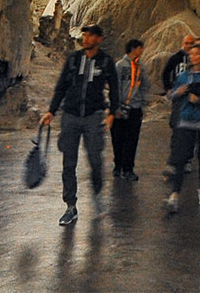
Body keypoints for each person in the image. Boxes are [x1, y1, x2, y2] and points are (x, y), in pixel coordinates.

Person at [41, 23, 120, 226]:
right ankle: (70, 206)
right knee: (69, 162)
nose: (86, 38)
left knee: (95, 159)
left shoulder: (106, 61)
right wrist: (51, 110)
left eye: (91, 35)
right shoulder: (74, 60)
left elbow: (115, 89)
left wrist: (112, 113)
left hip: (94, 116)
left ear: (99, 39)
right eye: (84, 34)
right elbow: (61, 86)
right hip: (71, 116)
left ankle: (97, 195)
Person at [164, 42, 200, 211]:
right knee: (181, 157)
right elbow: (172, 95)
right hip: (186, 119)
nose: (192, 57)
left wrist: (199, 100)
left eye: (196, 54)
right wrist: (178, 93)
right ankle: (174, 195)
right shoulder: (184, 76)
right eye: (190, 54)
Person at [111, 38, 149, 181]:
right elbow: (115, 86)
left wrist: (141, 99)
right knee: (118, 138)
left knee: (132, 139)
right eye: (140, 48)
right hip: (120, 108)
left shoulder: (141, 67)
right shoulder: (120, 65)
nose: (142, 51)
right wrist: (117, 105)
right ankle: (118, 165)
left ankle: (128, 168)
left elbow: (145, 84)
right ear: (134, 49)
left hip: (135, 108)